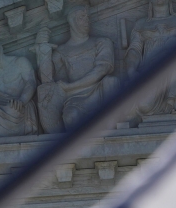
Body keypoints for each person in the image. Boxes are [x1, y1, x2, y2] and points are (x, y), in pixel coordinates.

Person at [35, 5, 118, 133]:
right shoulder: (61, 51)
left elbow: (102, 69)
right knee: (70, 117)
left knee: (111, 81)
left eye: (87, 17)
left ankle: (112, 134)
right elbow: (48, 81)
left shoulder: (102, 42)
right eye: (82, 17)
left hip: (99, 90)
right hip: (75, 97)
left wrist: (71, 86)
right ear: (72, 22)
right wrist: (42, 49)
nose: (87, 20)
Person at [125, 0, 176, 118]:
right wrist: (131, 71)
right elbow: (134, 51)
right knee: (144, 105)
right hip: (151, 73)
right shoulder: (141, 24)